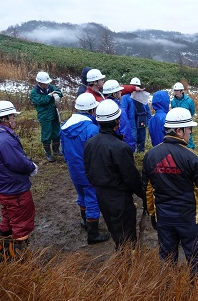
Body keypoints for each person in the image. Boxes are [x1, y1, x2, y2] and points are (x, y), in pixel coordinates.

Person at [142, 107, 198, 278]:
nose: (190, 132)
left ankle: (168, 289)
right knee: (196, 260)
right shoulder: (192, 157)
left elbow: (147, 190)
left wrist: (152, 215)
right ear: (179, 131)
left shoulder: (151, 155)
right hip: (189, 219)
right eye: (189, 128)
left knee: (167, 259)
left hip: (164, 218)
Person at [0, 101, 38, 261]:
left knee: (8, 222)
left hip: (4, 190)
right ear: (5, 119)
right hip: (16, 191)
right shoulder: (4, 140)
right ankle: (22, 266)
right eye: (13, 116)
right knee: (22, 225)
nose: (15, 119)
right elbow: (18, 162)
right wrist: (31, 167)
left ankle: (3, 257)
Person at [84, 99, 142, 250]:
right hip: (120, 198)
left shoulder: (90, 143)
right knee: (127, 234)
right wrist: (145, 194)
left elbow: (88, 171)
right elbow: (132, 178)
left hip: (101, 195)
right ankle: (126, 264)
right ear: (117, 121)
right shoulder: (121, 148)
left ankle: (121, 255)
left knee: (115, 229)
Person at [60, 93, 110, 245]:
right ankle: (93, 234)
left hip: (74, 170)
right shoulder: (91, 129)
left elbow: (63, 149)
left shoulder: (65, 126)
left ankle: (84, 221)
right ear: (92, 110)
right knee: (92, 199)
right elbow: (97, 153)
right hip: (88, 171)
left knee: (81, 195)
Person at [30, 71, 64, 162]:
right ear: (39, 83)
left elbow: (59, 92)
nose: (48, 84)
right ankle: (48, 154)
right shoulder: (34, 92)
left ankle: (56, 150)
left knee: (57, 132)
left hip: (54, 114)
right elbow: (41, 101)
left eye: (48, 83)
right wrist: (50, 96)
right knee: (46, 135)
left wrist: (57, 94)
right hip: (44, 116)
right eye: (45, 83)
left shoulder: (50, 87)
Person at [103, 79, 136, 151]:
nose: (121, 92)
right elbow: (125, 132)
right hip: (118, 148)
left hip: (102, 147)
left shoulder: (99, 107)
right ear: (114, 94)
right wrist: (130, 149)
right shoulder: (119, 111)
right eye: (119, 91)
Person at [121, 77, 151, 153]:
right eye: (134, 86)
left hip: (141, 120)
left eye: (137, 86)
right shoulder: (126, 98)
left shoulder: (142, 98)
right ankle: (132, 152)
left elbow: (147, 110)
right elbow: (123, 112)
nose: (136, 88)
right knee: (132, 137)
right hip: (131, 122)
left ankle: (141, 151)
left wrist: (149, 121)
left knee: (142, 136)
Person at [171, 82, 196, 149]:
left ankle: (190, 150)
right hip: (177, 122)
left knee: (188, 137)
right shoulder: (173, 101)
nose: (176, 92)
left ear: (181, 91)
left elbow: (192, 111)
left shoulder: (189, 101)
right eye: (175, 90)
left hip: (187, 122)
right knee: (177, 136)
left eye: (177, 91)